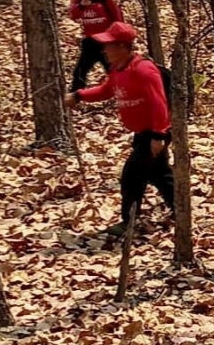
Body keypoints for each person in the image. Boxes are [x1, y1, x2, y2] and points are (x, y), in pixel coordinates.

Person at [63, 22, 174, 238]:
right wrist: (79, 96)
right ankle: (180, 209)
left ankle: (129, 223)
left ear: (123, 46)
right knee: (161, 175)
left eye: (108, 45)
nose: (103, 50)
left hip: (152, 133)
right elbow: (106, 90)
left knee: (132, 176)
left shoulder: (143, 69)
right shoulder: (117, 69)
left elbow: (159, 103)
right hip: (142, 134)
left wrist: (158, 135)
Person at [66, 0, 125, 92]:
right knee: (80, 71)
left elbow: (118, 18)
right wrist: (82, 5)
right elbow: (73, 15)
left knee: (113, 69)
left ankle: (122, 91)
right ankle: (75, 97)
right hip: (90, 42)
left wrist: (118, 38)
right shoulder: (77, 2)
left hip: (106, 42)